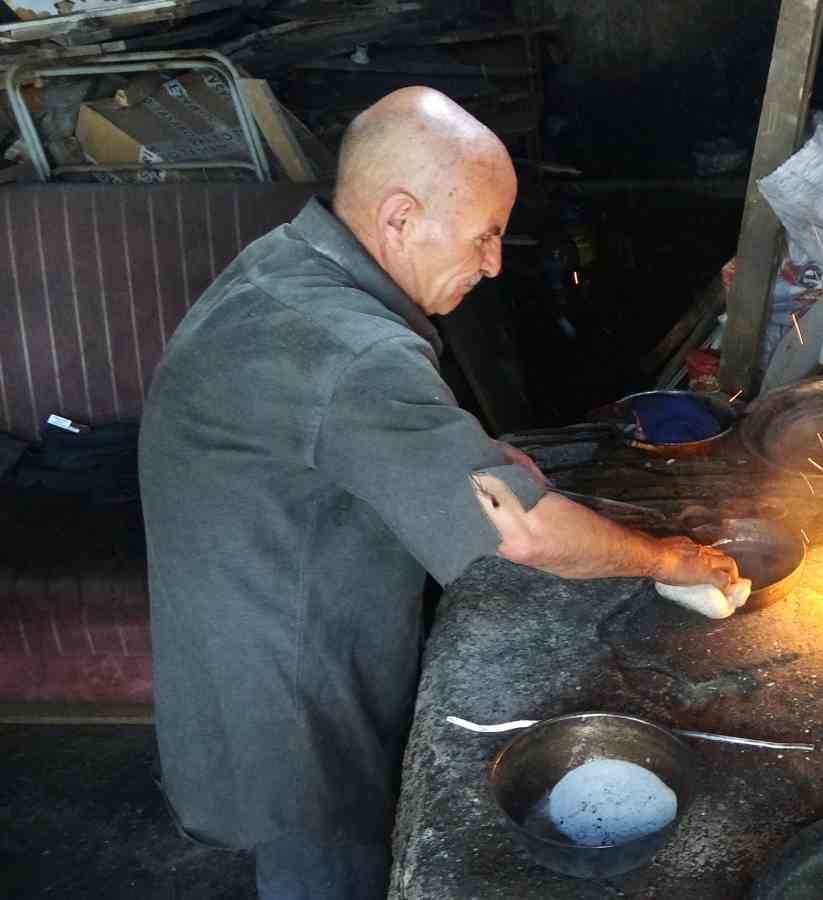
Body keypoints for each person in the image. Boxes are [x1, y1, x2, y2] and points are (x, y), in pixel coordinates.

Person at [138, 86, 739, 900]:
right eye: (484, 234)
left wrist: (474, 452)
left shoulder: (289, 265)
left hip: (245, 630)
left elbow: (337, 430)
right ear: (398, 218)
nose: (495, 263)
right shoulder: (352, 354)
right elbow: (527, 533)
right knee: (326, 861)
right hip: (289, 697)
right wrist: (668, 556)